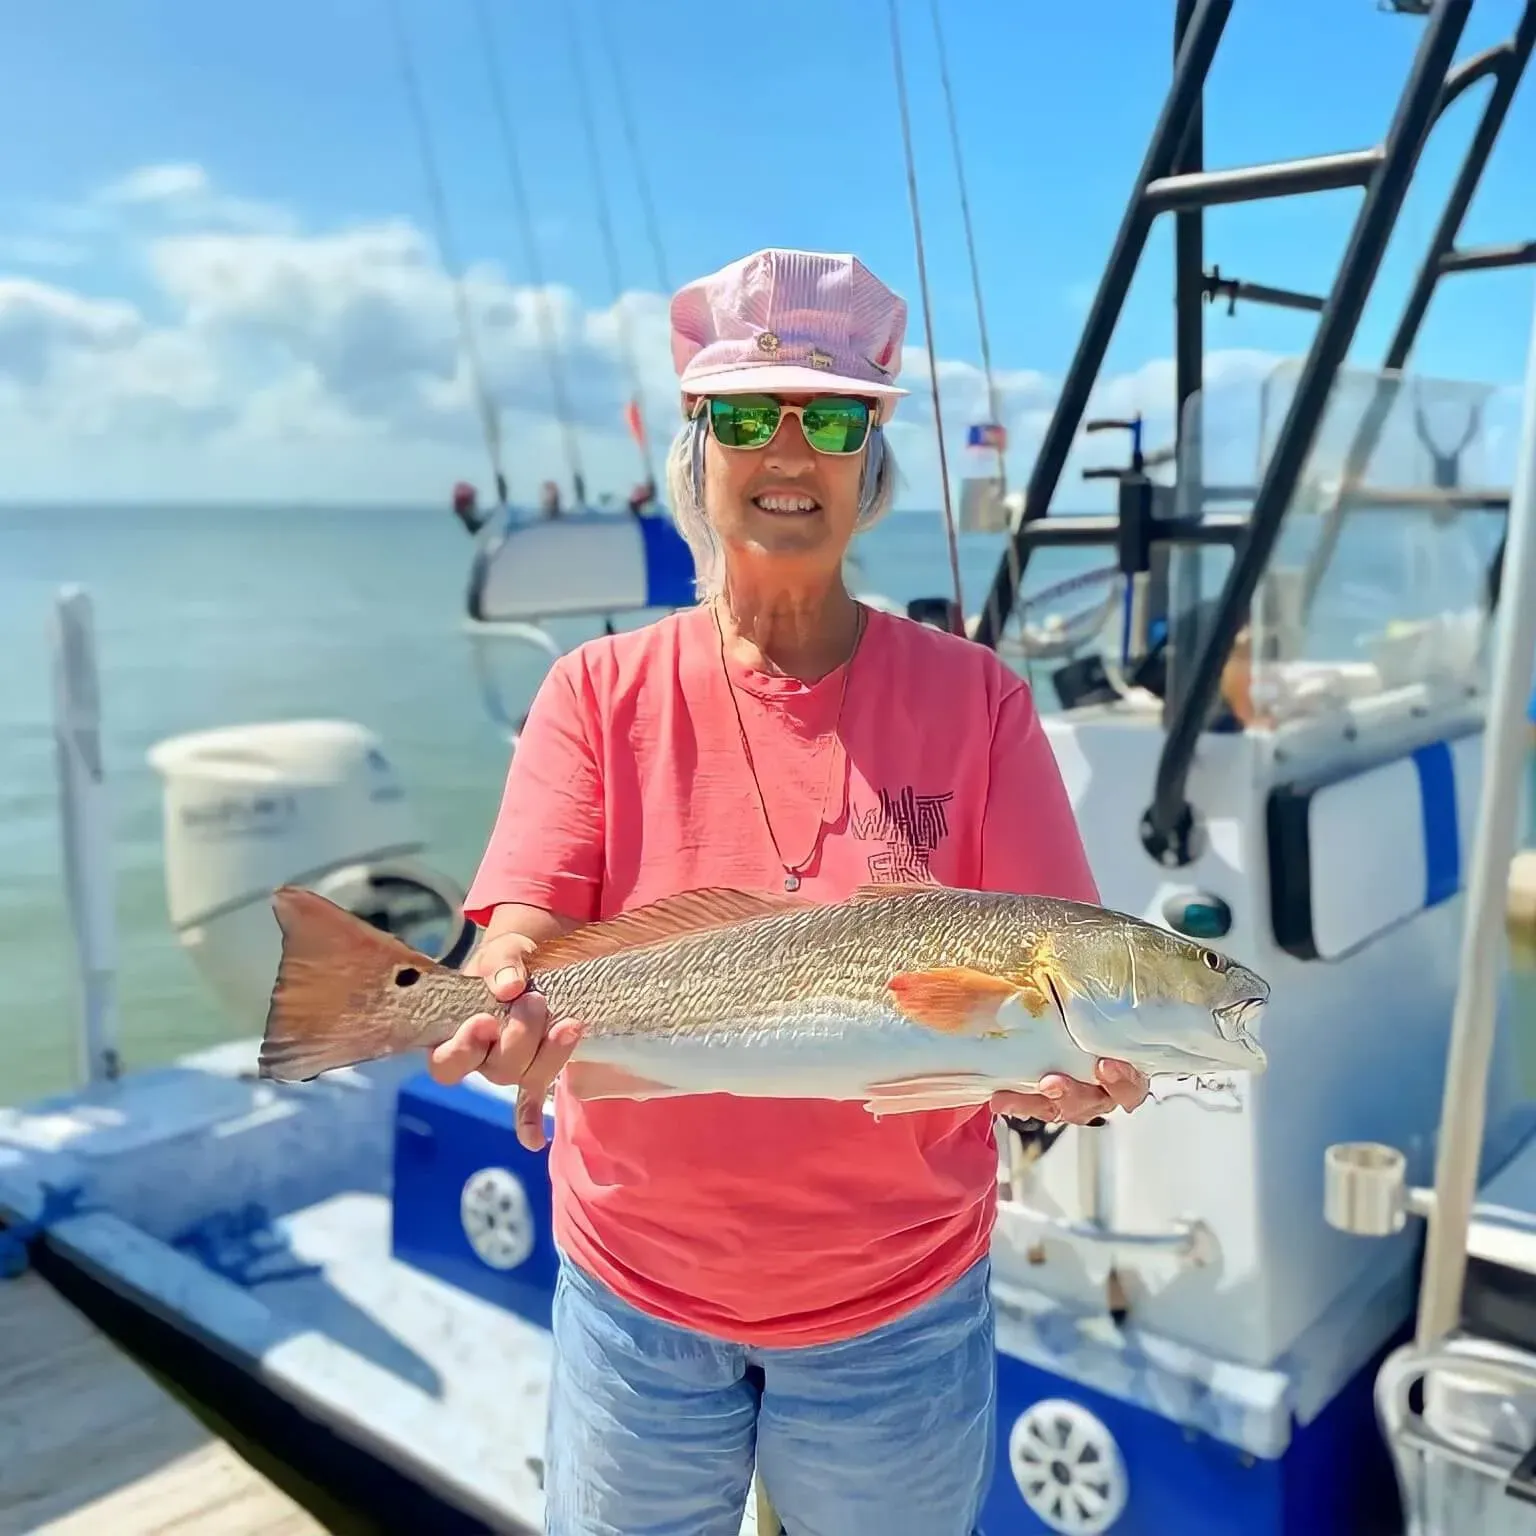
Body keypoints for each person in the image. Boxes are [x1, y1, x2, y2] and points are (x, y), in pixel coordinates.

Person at [429, 247, 1151, 1536]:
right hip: (633, 1299)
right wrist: (503, 991)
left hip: (901, 1309)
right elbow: (525, 924)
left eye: (832, 421)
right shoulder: (595, 691)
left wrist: (1065, 1076)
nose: (788, 452)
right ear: (694, 447)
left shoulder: (980, 702)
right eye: (749, 414)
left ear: (871, 466)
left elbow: (1051, 968)